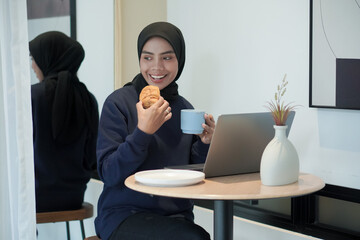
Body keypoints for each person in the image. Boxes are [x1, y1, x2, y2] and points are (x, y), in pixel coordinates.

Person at [95, 22, 215, 240]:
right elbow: (109, 173)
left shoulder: (185, 109)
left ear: (180, 60)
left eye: (167, 58)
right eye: (147, 57)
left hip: (176, 217)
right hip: (123, 215)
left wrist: (205, 144)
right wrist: (142, 132)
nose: (157, 67)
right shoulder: (119, 103)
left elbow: (193, 172)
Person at [29, 31, 99, 212]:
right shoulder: (88, 99)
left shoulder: (33, 96)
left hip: (33, 199)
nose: (32, 66)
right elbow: (92, 158)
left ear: (48, 59)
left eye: (34, 58)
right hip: (74, 198)